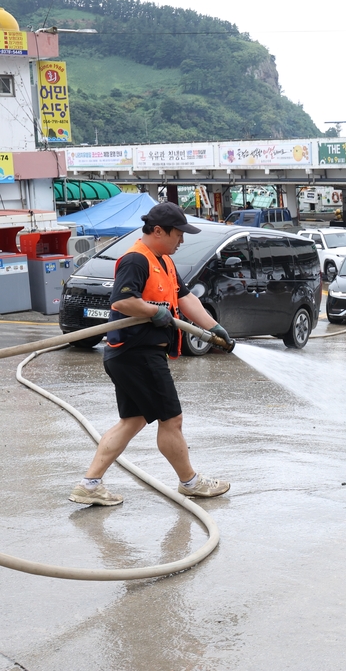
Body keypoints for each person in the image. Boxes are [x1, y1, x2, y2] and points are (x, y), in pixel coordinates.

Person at [68, 203, 234, 507]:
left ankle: (89, 484)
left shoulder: (165, 262)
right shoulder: (135, 259)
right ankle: (191, 482)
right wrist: (151, 311)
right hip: (136, 353)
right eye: (178, 234)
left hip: (133, 354)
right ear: (158, 231)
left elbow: (184, 299)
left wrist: (214, 327)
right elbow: (123, 301)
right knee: (172, 420)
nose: (181, 240)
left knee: (132, 420)